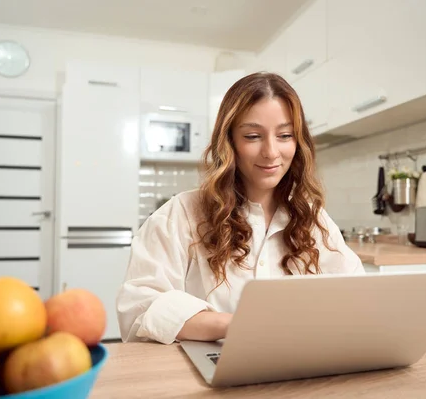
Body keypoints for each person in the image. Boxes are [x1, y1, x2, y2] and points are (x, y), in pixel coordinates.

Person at [116, 72, 364, 345]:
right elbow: (140, 308)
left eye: (284, 135)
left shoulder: (314, 220)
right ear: (230, 141)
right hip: (202, 376)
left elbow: (358, 297)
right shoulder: (182, 214)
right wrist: (239, 324)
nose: (271, 152)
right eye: (253, 136)